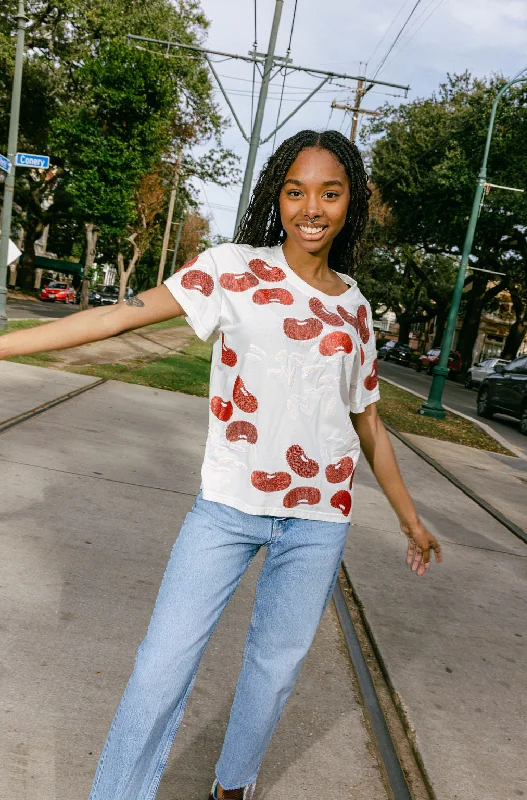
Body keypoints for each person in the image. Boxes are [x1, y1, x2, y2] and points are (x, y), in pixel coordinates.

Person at [0, 130, 442, 800]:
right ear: (277, 195)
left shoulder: (354, 307)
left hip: (318, 520)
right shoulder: (233, 268)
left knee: (273, 672)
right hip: (228, 507)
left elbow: (368, 420)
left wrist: (411, 518)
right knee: (160, 668)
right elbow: (115, 318)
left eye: (329, 191)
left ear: (351, 201)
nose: (311, 207)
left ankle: (232, 786)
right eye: (295, 191)